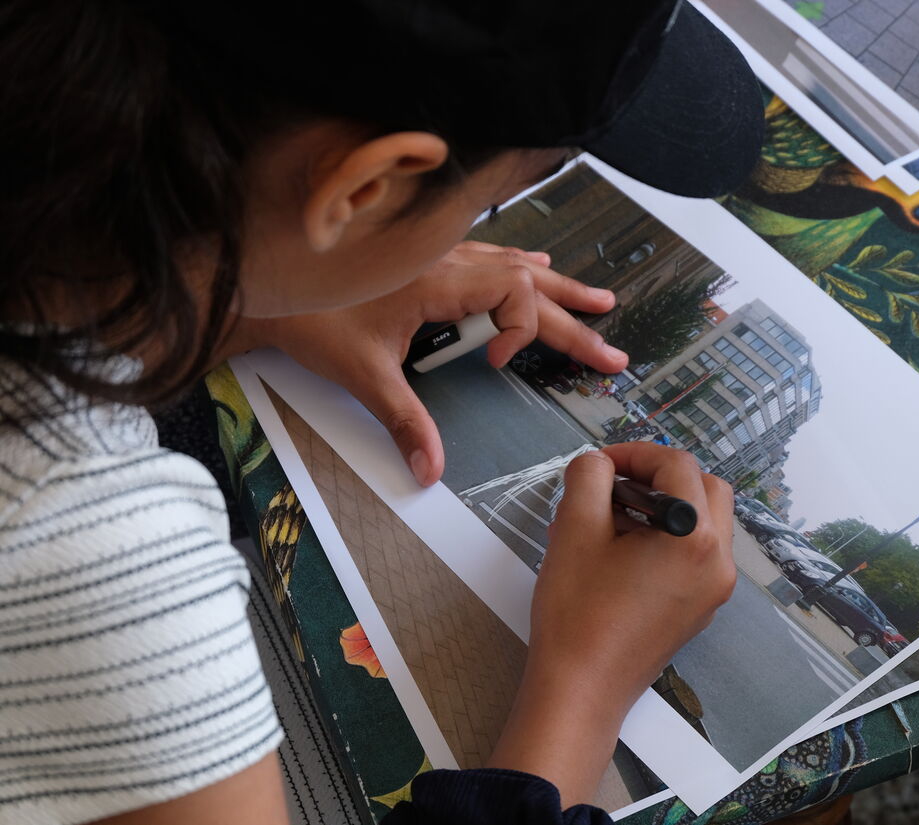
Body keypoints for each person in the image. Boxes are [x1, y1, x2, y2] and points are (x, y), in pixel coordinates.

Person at [0, 1, 763, 823]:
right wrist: (584, 683)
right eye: (496, 201)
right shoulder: (103, 557)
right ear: (363, 187)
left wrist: (243, 284)